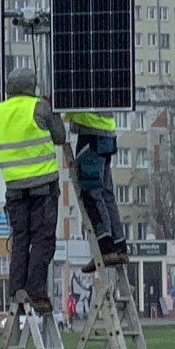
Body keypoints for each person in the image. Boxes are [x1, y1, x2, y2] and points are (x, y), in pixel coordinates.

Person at [0, 68, 64, 316]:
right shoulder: (39, 107)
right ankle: (37, 293)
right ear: (31, 87)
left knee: (21, 240)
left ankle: (16, 291)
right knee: (43, 240)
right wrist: (52, 109)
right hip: (43, 187)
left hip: (13, 188)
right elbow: (60, 137)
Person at [65, 111, 128, 273]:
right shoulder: (105, 85)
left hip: (91, 134)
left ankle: (106, 247)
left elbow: (65, 104)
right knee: (106, 194)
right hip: (107, 134)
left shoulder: (83, 86)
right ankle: (119, 245)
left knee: (92, 193)